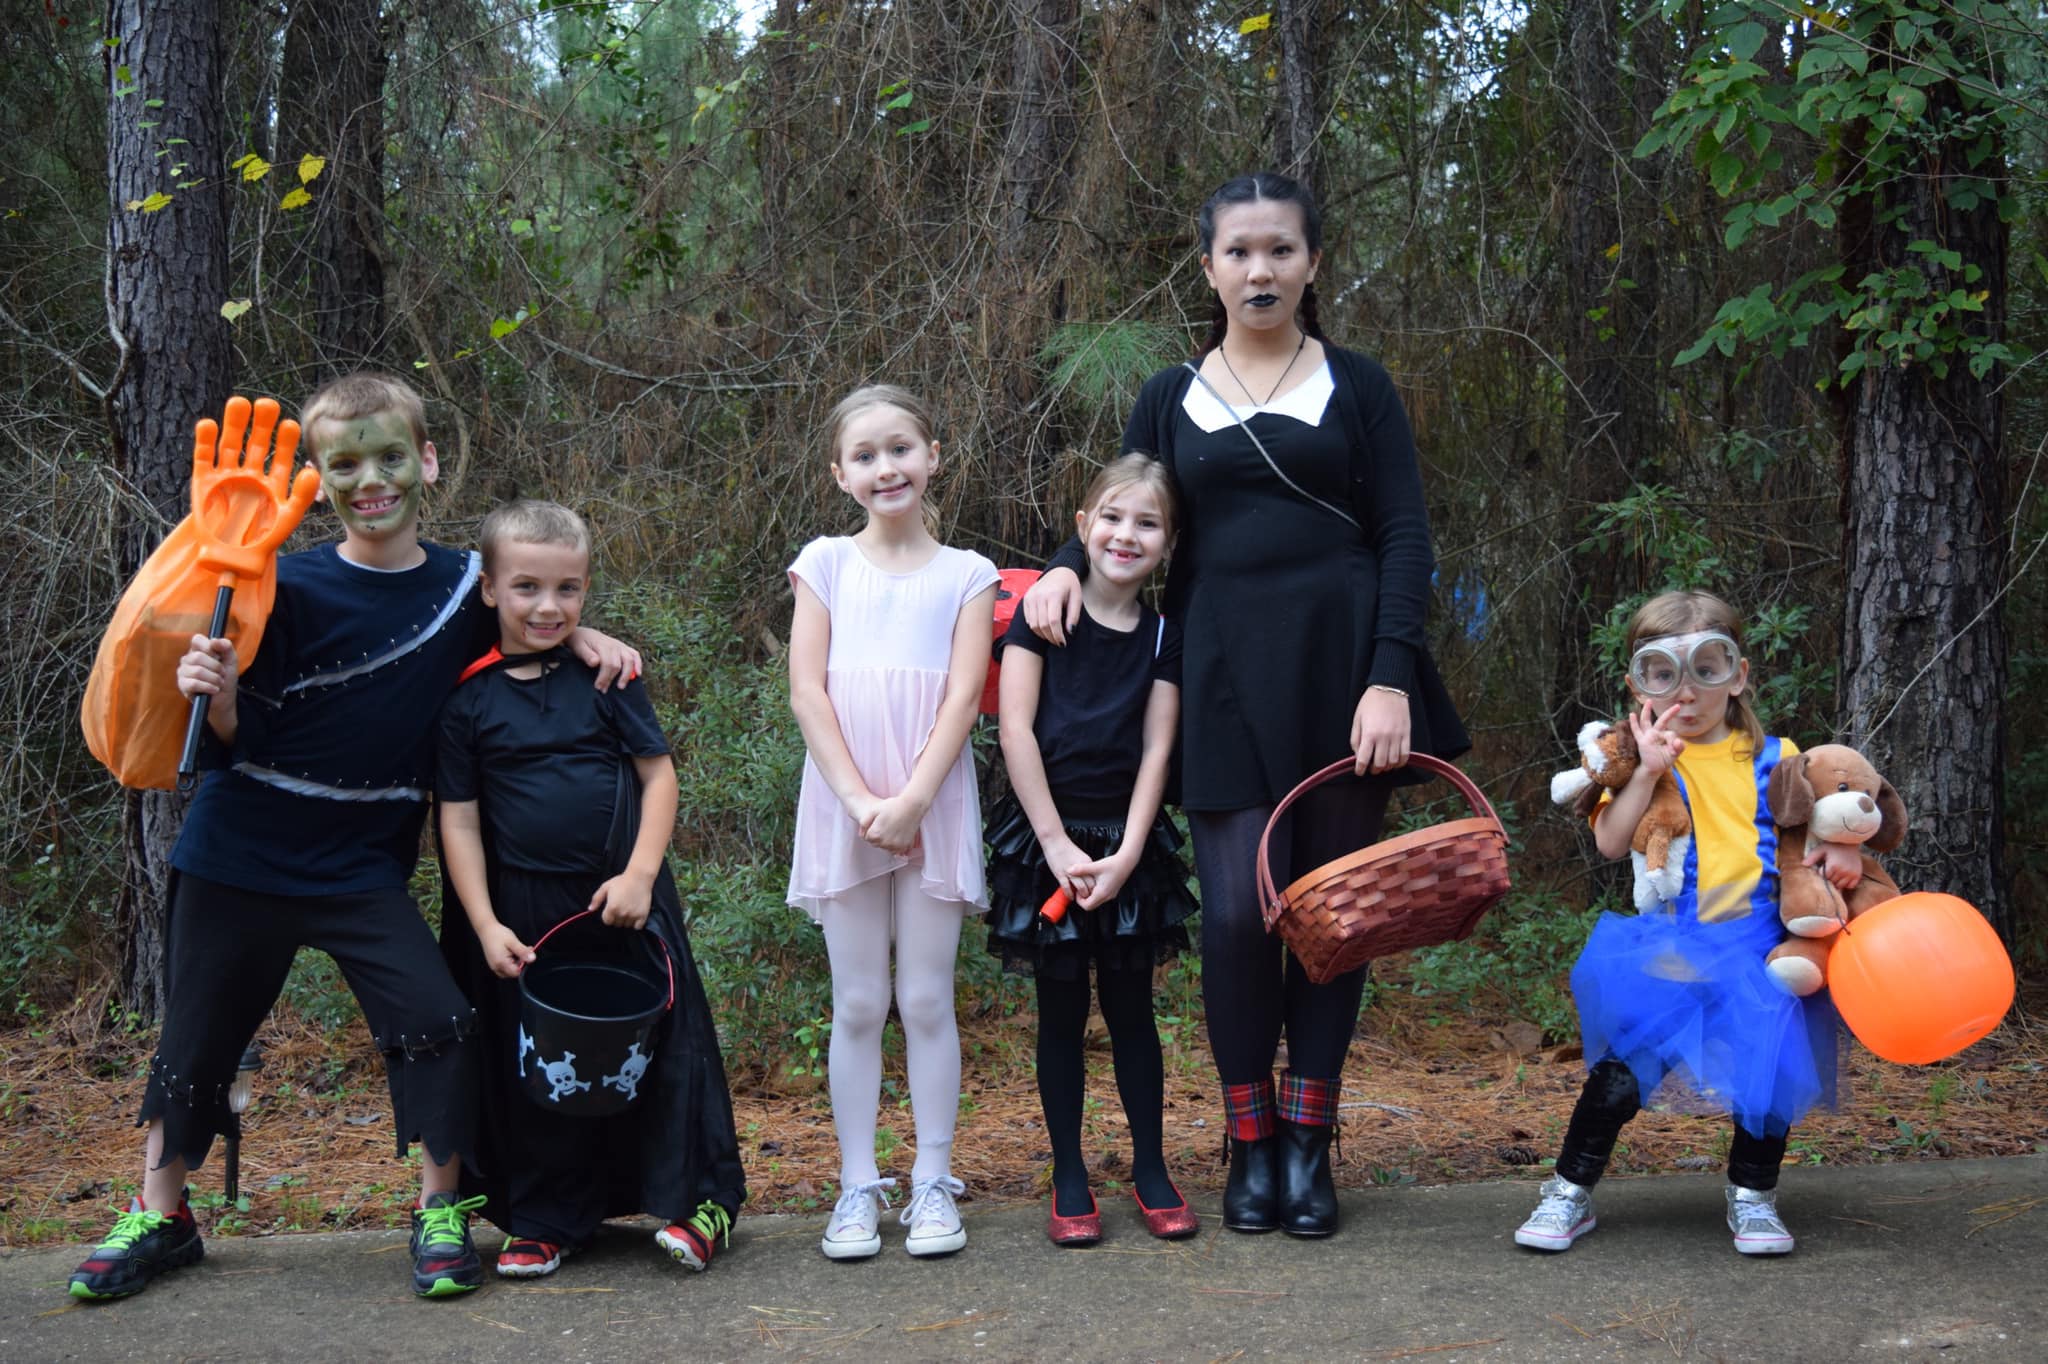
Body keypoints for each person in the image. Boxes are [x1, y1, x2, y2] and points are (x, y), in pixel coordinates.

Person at [67, 375, 640, 1303]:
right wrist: (211, 695)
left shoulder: (465, 586)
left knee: (437, 1020)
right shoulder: (275, 583)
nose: (371, 480)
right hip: (239, 849)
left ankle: (439, 1209)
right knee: (199, 1036)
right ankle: (162, 1215)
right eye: (345, 464)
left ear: (428, 461)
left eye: (389, 457)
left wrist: (584, 637)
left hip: (362, 862)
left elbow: (531, 614)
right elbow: (233, 741)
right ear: (318, 482)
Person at [1023, 171, 1469, 1239]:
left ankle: (1310, 1145)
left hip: (1341, 670)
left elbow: (1404, 533)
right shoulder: (1171, 394)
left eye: (1279, 249)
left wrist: (1389, 673)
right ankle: (1249, 1138)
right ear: (1208, 265)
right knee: (1233, 917)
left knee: (1332, 915)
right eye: (1238, 251)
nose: (1258, 269)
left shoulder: (1356, 385)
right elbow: (1120, 510)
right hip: (1215, 670)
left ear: (1312, 263)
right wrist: (1052, 566)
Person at [435, 500, 746, 1279]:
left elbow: (658, 774)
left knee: (668, 1054)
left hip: (627, 901)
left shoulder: (608, 675)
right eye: (528, 588)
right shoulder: (467, 701)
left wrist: (641, 874)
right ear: (489, 591)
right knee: (546, 1067)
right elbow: (460, 823)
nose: (549, 606)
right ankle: (547, 1217)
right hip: (527, 918)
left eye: (569, 590)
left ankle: (702, 1204)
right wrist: (482, 924)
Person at [1516, 591, 1847, 1257]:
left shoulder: (1778, 754)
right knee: (1619, 1075)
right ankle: (1568, 1190)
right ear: (1640, 683)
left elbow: (1819, 819)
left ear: (1739, 675)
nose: (1687, 692)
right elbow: (1612, 841)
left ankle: (1753, 1195)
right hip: (1672, 945)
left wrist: (1839, 847)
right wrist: (1648, 772)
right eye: (1664, 673)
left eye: (1708, 667)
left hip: (1761, 944)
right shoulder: (1639, 757)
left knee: (1769, 1073)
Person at [786, 385, 998, 1260]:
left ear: (933, 455)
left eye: (901, 448)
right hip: (845, 802)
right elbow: (808, 689)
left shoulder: (968, 575)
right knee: (861, 1001)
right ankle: (856, 1187)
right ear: (841, 474)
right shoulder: (827, 563)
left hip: (933, 798)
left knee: (924, 996)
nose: (887, 467)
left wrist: (911, 800)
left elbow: (961, 696)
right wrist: (864, 801)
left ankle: (932, 1181)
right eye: (866, 455)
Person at [986, 455, 1201, 1246]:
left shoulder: (1163, 638)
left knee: (1134, 1013)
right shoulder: (1042, 618)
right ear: (1083, 528)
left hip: (1126, 847)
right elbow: (1014, 728)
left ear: (1168, 543)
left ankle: (1151, 1166)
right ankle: (1069, 1173)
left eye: (1148, 523)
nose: (1126, 534)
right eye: (1112, 517)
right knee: (1061, 1013)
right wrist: (1053, 845)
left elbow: (1157, 750)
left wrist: (1130, 852)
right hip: (1047, 841)